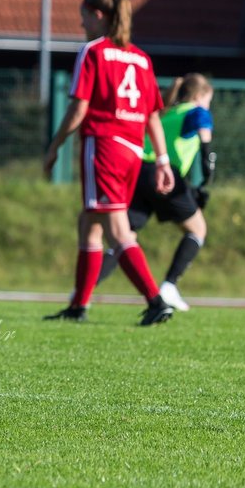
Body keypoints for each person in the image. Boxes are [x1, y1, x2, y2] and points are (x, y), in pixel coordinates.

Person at [42, 0, 176, 326]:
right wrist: (161, 161)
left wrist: (55, 145)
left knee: (117, 228)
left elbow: (78, 108)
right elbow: (153, 117)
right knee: (90, 224)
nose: (80, 22)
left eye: (84, 15)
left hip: (104, 146)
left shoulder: (93, 52)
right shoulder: (141, 58)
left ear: (98, 16)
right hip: (132, 150)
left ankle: (155, 300)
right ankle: (78, 306)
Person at [96, 73, 215, 312]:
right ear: (200, 96)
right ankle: (169, 286)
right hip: (164, 174)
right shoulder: (197, 112)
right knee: (198, 229)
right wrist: (205, 182)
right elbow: (206, 146)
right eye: (208, 99)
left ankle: (85, 287)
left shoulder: (166, 112)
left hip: (138, 172)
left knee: (124, 235)